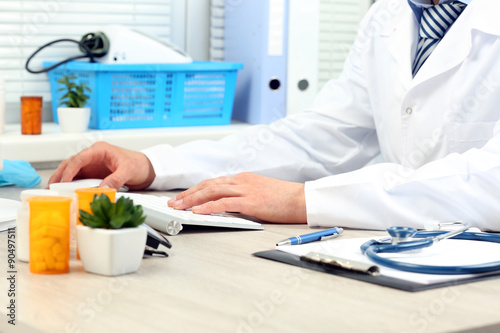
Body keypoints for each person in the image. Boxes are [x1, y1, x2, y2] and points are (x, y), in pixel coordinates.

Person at [49, 0, 500, 231]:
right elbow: (322, 136)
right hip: (414, 257)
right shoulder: (389, 15)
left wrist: (302, 200)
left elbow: (489, 182)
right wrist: (155, 165)